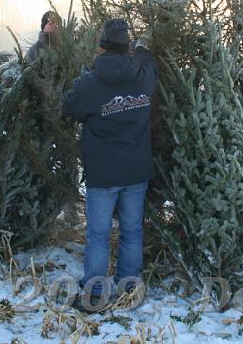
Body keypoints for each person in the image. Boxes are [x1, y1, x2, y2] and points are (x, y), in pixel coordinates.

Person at [62, 18, 157, 311]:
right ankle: (129, 284)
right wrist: (142, 50)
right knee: (132, 230)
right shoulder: (142, 76)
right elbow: (146, 64)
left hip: (102, 174)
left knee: (99, 234)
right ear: (127, 46)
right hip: (136, 170)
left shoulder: (90, 82)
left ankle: (94, 291)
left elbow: (69, 107)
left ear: (101, 48)